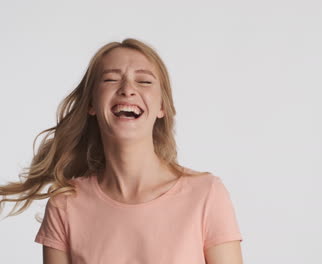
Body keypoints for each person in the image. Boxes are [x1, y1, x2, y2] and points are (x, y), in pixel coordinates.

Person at [0, 38, 244, 263]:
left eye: (144, 81)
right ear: (91, 104)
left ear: (162, 107)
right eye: (110, 79)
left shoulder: (207, 194)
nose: (127, 89)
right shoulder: (64, 205)